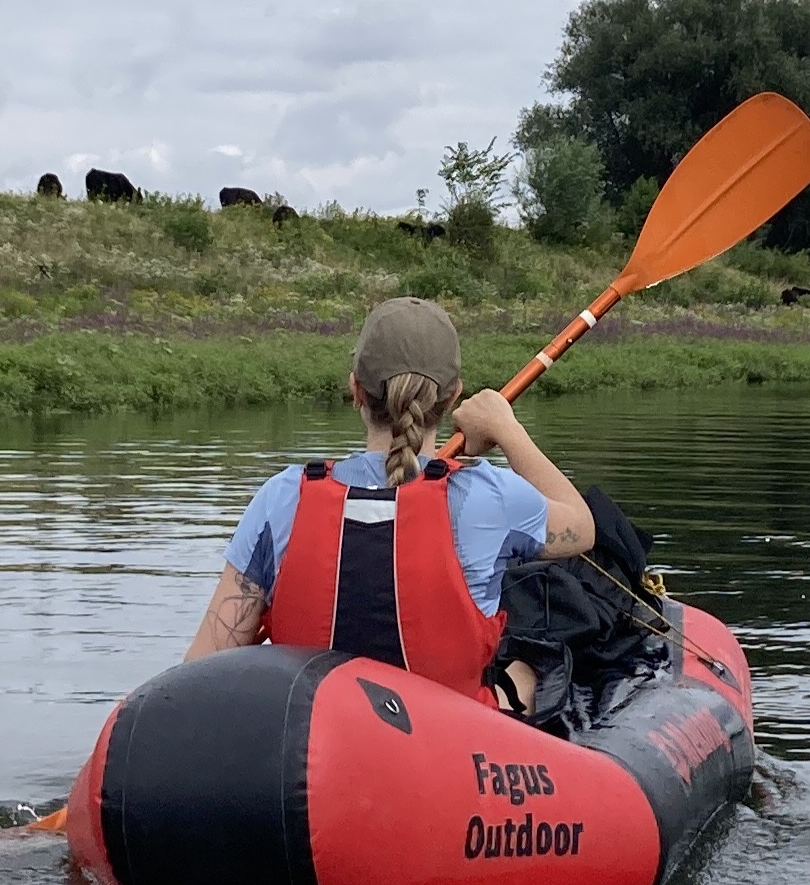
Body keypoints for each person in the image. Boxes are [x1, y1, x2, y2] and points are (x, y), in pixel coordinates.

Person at [185, 296, 594, 707]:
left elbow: (200, 670)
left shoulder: (283, 497)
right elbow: (582, 527)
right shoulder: (489, 496)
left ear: (356, 390)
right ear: (453, 396)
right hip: (448, 750)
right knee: (534, 666)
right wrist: (507, 429)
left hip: (309, 755)